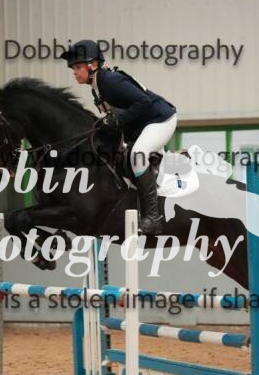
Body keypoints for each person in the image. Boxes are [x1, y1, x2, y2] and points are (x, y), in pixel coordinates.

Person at [59, 39, 177, 234]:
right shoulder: (97, 86)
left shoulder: (110, 81)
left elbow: (144, 102)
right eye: (73, 68)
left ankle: (153, 218)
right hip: (142, 126)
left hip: (160, 120)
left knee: (138, 155)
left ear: (92, 65)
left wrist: (117, 120)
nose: (74, 72)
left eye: (78, 67)